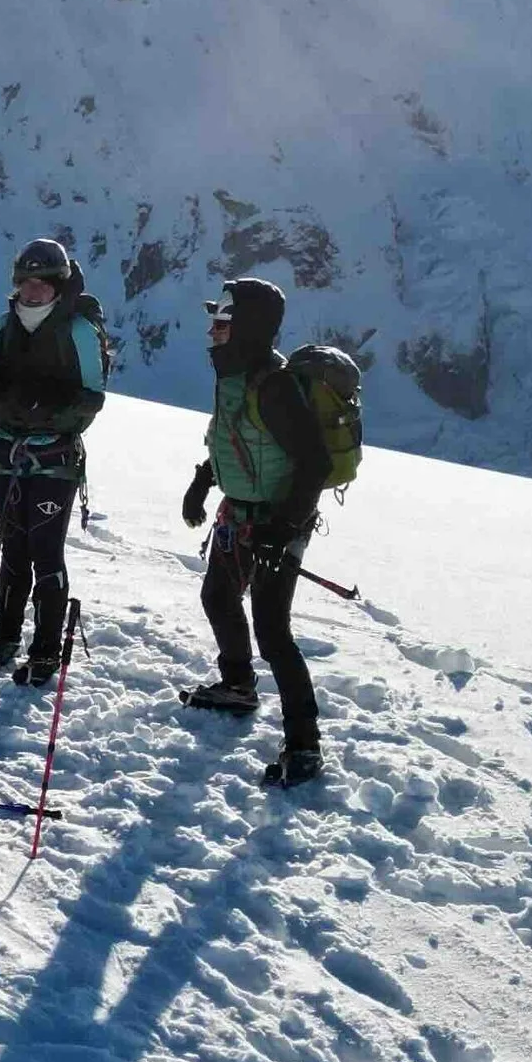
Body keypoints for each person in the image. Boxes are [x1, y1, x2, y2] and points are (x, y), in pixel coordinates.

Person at [179, 274, 326, 787]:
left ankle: (305, 745)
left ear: (247, 327)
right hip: (240, 512)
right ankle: (238, 685)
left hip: (277, 520)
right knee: (218, 598)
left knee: (272, 629)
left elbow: (315, 463)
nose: (213, 329)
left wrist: (283, 529)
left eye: (223, 320)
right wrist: (202, 482)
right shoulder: (235, 375)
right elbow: (230, 437)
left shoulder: (275, 384)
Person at [0, 236, 107, 682]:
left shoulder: (79, 331)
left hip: (52, 457)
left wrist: (47, 408)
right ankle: (5, 639)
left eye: (43, 281)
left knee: (45, 552)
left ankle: (43, 650)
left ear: (58, 285)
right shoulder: (3, 327)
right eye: (26, 281)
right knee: (14, 548)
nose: (33, 289)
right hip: (8, 451)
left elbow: (93, 399)